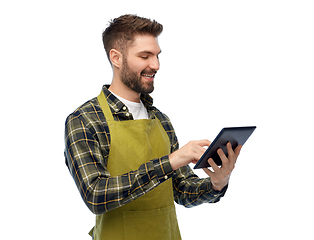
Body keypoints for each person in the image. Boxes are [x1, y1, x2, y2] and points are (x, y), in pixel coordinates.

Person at [64, 14, 242, 240]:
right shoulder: (85, 120)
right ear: (116, 58)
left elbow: (182, 190)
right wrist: (171, 161)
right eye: (144, 56)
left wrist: (217, 183)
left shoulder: (160, 120)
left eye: (157, 56)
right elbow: (96, 195)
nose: (155, 65)